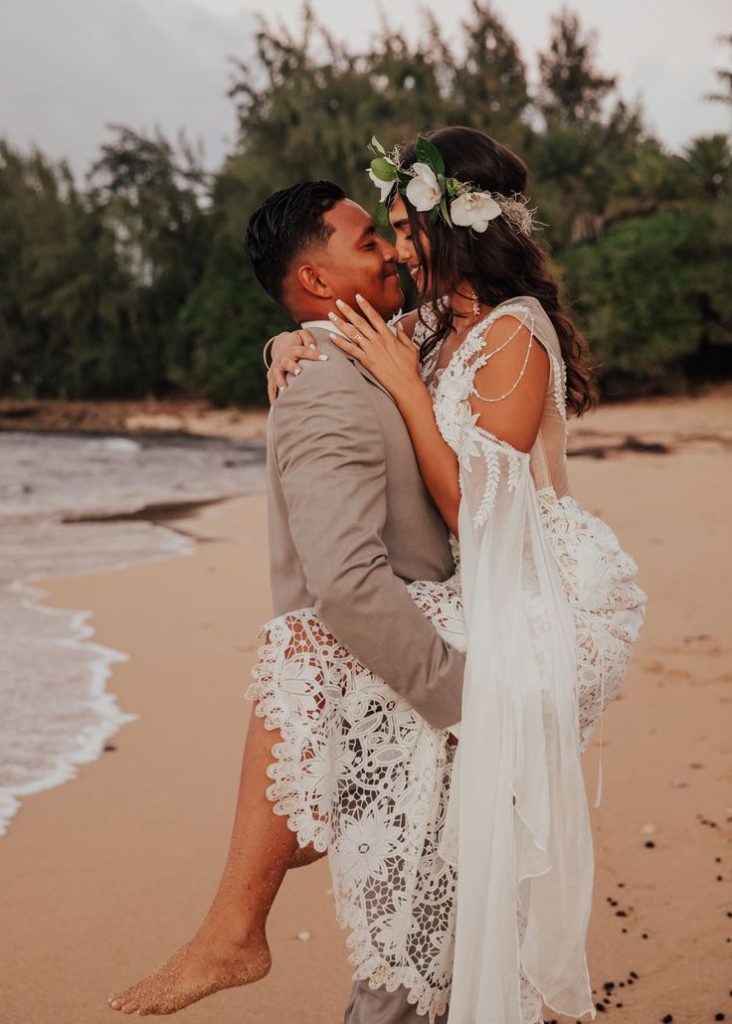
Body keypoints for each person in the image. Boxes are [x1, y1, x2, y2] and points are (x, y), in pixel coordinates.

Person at [109, 128, 646, 1024]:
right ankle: (306, 925)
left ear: (460, 228)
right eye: (384, 230)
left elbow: (473, 508)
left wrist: (405, 387)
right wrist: (284, 345)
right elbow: (328, 327)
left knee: (316, 642)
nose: (396, 247)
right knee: (351, 703)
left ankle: (241, 925)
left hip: (544, 595)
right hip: (477, 588)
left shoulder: (517, 336)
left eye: (404, 225)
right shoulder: (432, 324)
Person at [108, 179, 466, 1023]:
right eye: (368, 240)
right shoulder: (325, 385)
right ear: (315, 283)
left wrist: (284, 343)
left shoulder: (378, 349)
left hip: (409, 687)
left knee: (430, 953)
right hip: (402, 697)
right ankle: (234, 935)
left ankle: (237, 931)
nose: (390, 250)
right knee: (407, 966)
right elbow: (343, 583)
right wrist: (463, 700)